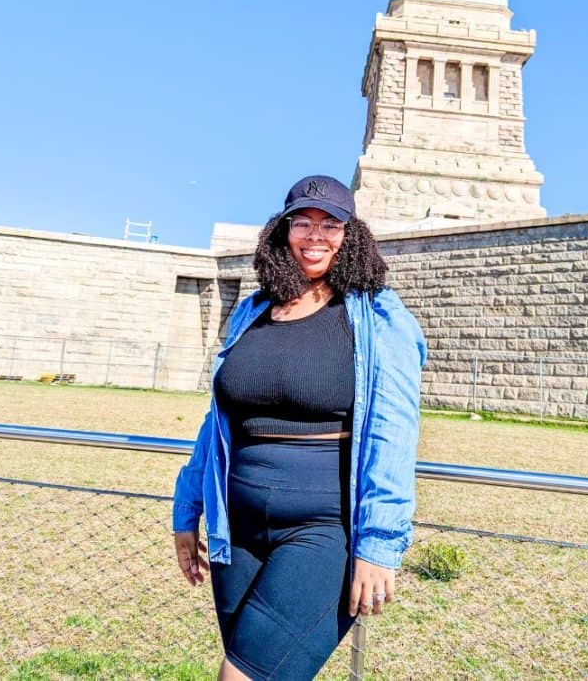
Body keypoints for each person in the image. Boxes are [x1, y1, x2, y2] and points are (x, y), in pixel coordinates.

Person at [173, 175, 426, 681]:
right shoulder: (252, 310)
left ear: (350, 235)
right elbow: (217, 420)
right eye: (303, 222)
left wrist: (378, 544)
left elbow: (393, 432)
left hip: (322, 529)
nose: (315, 235)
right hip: (236, 528)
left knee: (241, 675)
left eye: (330, 224)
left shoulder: (378, 316)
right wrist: (187, 509)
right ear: (282, 231)